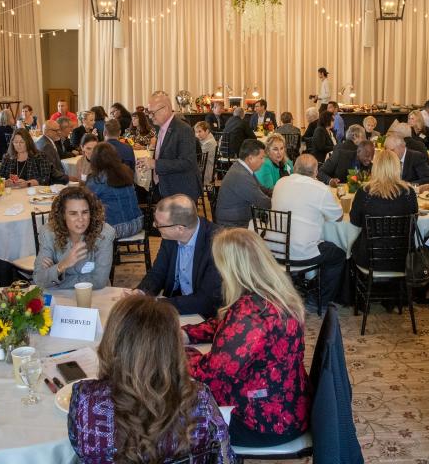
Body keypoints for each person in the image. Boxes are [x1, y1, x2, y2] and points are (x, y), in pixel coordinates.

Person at [183, 227, 310, 448]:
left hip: (262, 423)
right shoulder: (274, 294)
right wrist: (188, 333)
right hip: (288, 407)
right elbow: (229, 327)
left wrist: (176, 352)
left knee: (173, 418)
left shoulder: (252, 313)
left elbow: (212, 375)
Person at [68, 294, 232, 463]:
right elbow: (224, 457)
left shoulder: (85, 400)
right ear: (173, 347)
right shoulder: (199, 400)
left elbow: (79, 452)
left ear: (111, 342)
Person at [271, 154, 346, 304]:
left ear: (295, 168)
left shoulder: (280, 183)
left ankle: (293, 284)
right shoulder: (320, 189)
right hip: (301, 253)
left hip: (274, 249)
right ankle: (320, 298)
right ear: (316, 172)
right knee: (338, 255)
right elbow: (338, 217)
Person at [138, 195, 222, 318]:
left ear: (180, 229)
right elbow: (157, 273)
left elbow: (206, 300)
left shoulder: (217, 243)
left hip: (207, 316)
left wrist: (155, 304)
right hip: (177, 306)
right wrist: (141, 292)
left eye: (159, 224)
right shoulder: (170, 236)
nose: (154, 226)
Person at [34, 186, 114, 290]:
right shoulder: (49, 233)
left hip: (94, 295)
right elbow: (38, 279)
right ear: (63, 215)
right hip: (60, 298)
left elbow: (99, 281)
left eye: (85, 212)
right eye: (73, 213)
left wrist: (56, 276)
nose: (81, 219)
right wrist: (62, 265)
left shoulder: (104, 234)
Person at [349, 150, 418, 269]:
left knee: (349, 248)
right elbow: (414, 222)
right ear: (397, 168)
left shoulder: (364, 192)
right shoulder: (409, 193)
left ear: (375, 168)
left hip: (369, 259)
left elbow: (355, 221)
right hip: (404, 259)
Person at [137, 92, 202, 203]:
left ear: (165, 109)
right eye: (149, 112)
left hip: (181, 191)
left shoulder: (183, 129)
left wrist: (155, 164)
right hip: (165, 187)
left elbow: (187, 162)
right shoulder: (160, 128)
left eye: (153, 112)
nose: (150, 116)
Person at [85, 143, 143, 239]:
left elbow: (86, 202)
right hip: (137, 223)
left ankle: (91, 252)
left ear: (95, 160)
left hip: (115, 228)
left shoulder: (96, 180)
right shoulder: (126, 172)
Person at [214, 140, 271, 228]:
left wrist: (276, 191)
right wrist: (281, 201)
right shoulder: (242, 175)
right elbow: (263, 203)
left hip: (237, 219)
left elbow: (260, 188)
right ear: (250, 158)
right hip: (232, 226)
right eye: (261, 158)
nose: (263, 161)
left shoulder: (241, 168)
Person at [0, 128, 65, 187]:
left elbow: (46, 179)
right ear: (12, 143)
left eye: (21, 142)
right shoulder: (7, 157)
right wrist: (5, 183)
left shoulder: (39, 156)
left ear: (28, 142)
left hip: (32, 193)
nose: (18, 145)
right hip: (11, 194)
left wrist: (28, 183)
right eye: (15, 142)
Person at [194, 121, 217, 188]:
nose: (197, 134)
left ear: (207, 131)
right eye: (196, 132)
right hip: (203, 168)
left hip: (205, 172)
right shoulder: (205, 140)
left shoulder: (209, 143)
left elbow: (199, 159)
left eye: (200, 131)